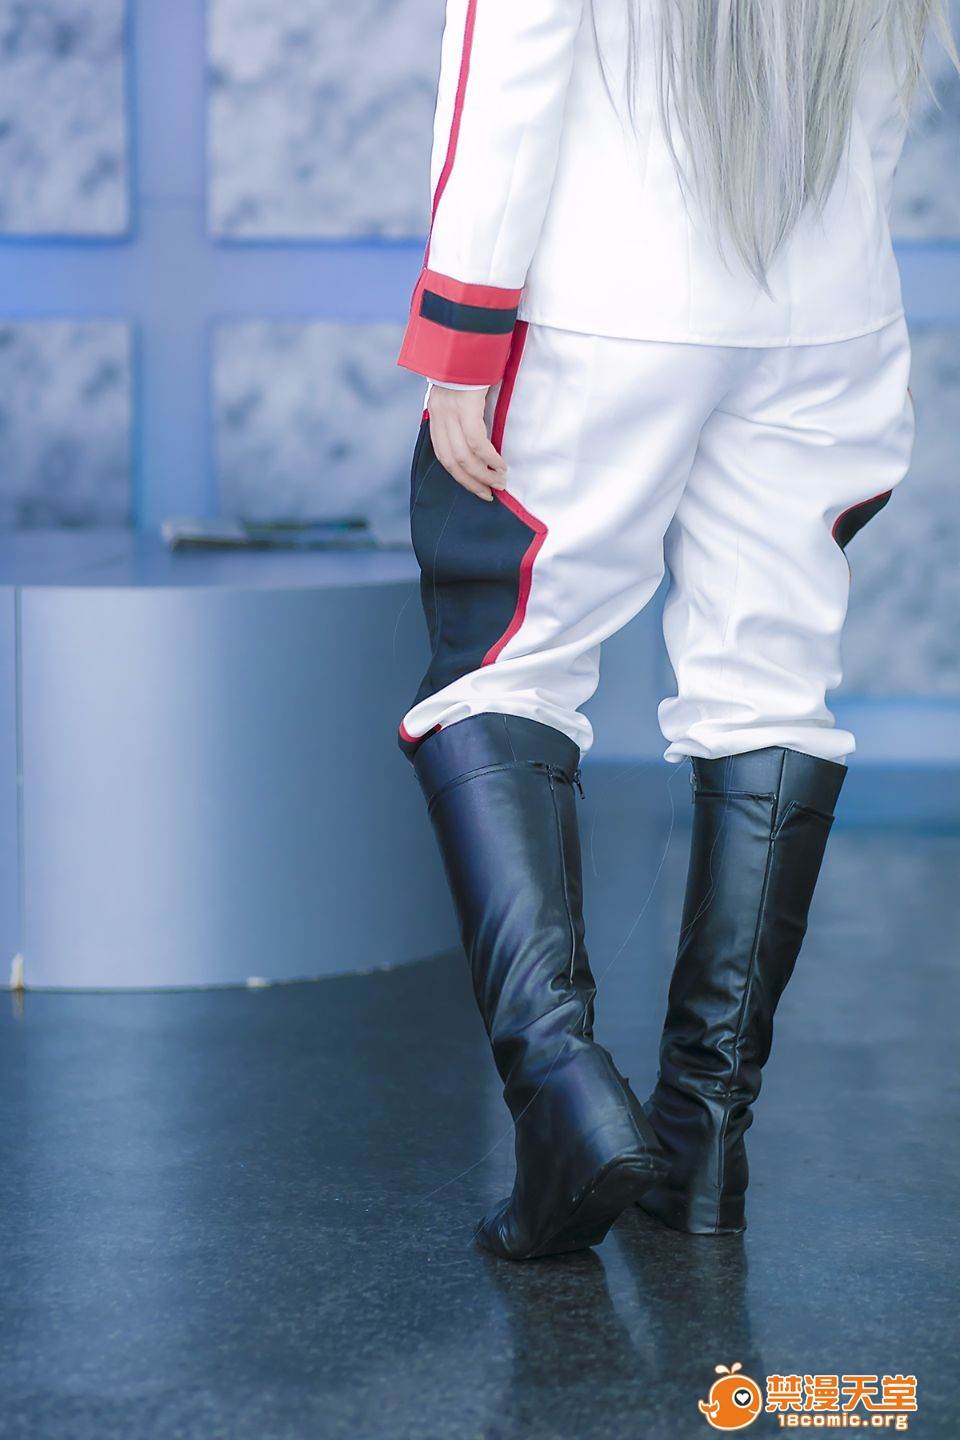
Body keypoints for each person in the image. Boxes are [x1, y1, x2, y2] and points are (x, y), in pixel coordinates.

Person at [394, 0, 957, 1260]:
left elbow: (511, 49)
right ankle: (702, 1147)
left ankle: (564, 1099)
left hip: (609, 294)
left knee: (505, 663)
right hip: (826, 303)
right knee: (771, 690)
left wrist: (463, 328)